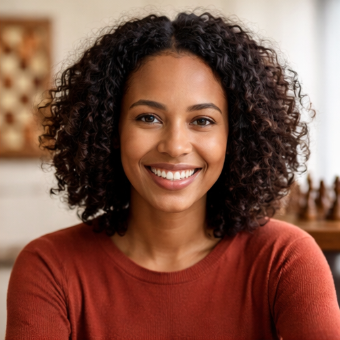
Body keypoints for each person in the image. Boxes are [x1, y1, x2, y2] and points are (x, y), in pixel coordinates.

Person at [6, 11, 340, 340]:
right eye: (148, 118)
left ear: (235, 137)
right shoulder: (49, 267)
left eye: (203, 120)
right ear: (111, 130)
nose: (175, 146)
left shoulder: (284, 259)